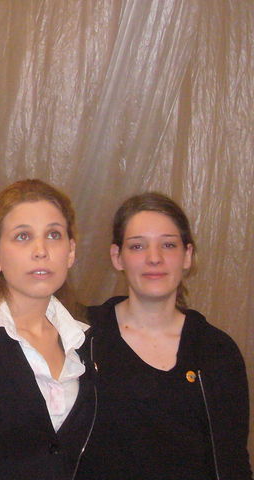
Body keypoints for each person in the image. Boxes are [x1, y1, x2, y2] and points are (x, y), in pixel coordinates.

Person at [77, 192, 252, 480]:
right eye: (138, 246)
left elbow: (232, 461)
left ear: (187, 255)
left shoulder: (217, 350)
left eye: (168, 245)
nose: (154, 258)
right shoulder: (82, 338)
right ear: (117, 257)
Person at [0, 179, 96, 480]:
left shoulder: (87, 342)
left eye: (53, 235)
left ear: (70, 252)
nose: (41, 250)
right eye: (23, 236)